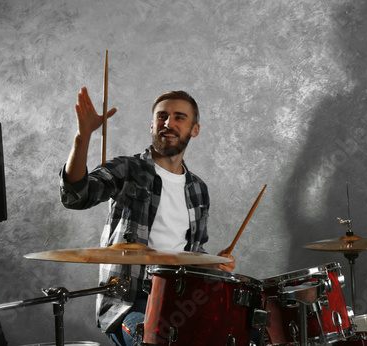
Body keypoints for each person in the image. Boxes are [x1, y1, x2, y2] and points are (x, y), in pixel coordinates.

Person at [59, 86, 235, 345]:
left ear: (194, 130)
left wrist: (212, 264)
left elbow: (193, 253)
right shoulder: (127, 169)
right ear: (151, 125)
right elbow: (76, 195)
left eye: (179, 117)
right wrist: (82, 137)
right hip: (131, 301)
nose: (168, 123)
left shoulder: (198, 189)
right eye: (162, 116)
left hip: (180, 300)